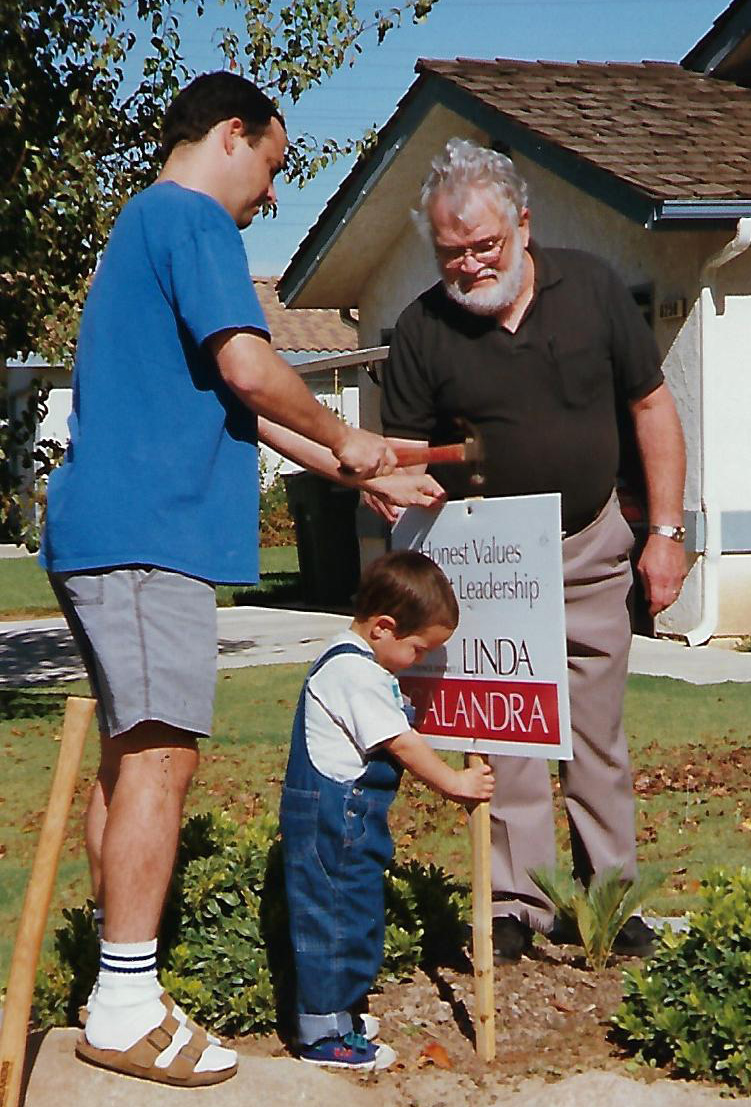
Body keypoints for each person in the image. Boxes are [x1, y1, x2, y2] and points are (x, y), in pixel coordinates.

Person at [38, 72, 441, 1088]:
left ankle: (116, 982)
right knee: (162, 757)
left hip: (113, 530)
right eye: (272, 165)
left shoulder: (144, 227)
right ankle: (125, 1004)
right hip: (149, 534)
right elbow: (253, 370)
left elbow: (238, 404)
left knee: (133, 756)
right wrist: (349, 432)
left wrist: (351, 464)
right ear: (233, 133)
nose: (271, 193)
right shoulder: (194, 219)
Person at [378, 138, 687, 961]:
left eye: (485, 244)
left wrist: (665, 533)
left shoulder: (593, 289)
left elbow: (652, 409)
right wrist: (393, 486)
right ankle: (514, 903)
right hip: (483, 562)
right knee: (505, 736)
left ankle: (609, 903)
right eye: (451, 251)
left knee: (596, 736)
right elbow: (399, 456)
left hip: (590, 546)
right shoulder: (422, 328)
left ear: (522, 223)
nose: (470, 264)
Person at [280, 549, 494, 1070]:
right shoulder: (354, 674)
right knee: (333, 918)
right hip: (333, 821)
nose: (419, 661)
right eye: (418, 649)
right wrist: (455, 783)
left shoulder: (355, 663)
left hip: (348, 819)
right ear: (383, 628)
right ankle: (323, 1034)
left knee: (353, 913)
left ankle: (341, 1014)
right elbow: (401, 742)